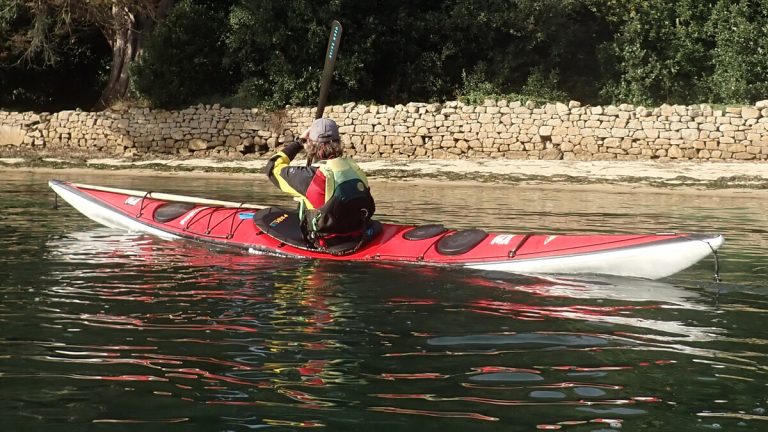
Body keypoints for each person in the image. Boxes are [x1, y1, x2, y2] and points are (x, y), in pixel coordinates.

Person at [266, 118, 375, 249]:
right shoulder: (354, 168)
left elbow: (272, 167)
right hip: (358, 233)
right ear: (338, 142)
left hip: (325, 243)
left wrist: (299, 142)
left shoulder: (310, 176)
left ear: (310, 144)